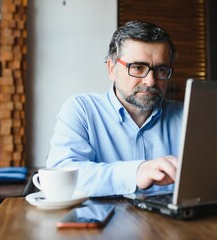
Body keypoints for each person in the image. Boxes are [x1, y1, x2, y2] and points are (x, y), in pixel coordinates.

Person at [46, 20, 183, 197]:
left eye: (161, 70)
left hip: (174, 223)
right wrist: (136, 172)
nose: (150, 81)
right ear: (112, 69)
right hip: (100, 222)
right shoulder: (81, 110)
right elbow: (63, 174)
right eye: (138, 68)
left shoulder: (187, 116)